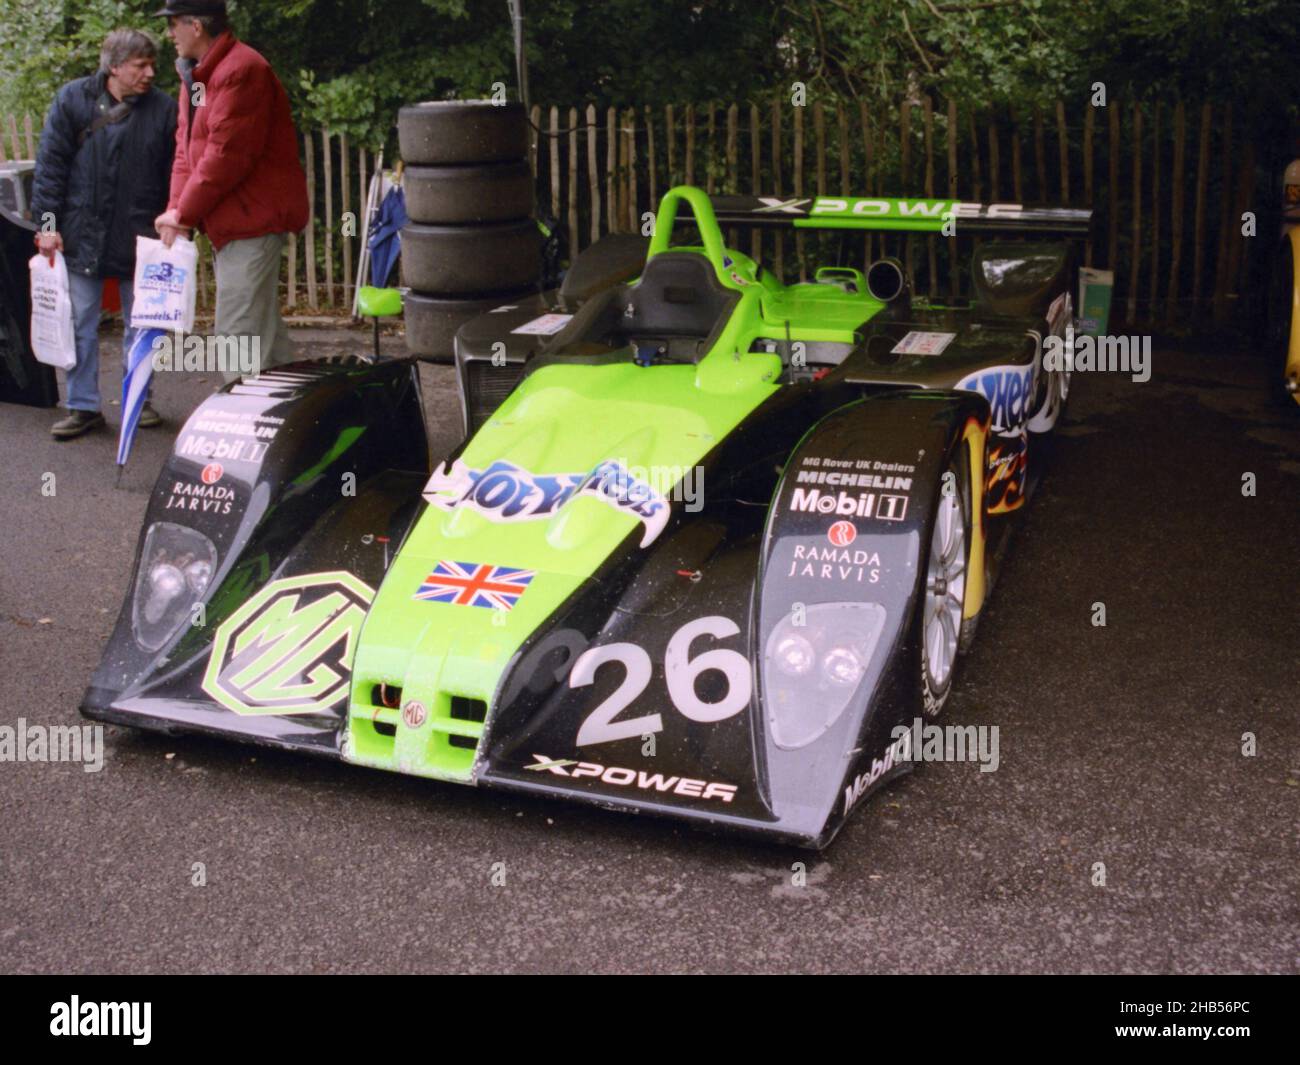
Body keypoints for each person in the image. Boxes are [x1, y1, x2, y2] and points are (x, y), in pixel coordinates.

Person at [31, 29, 176, 439]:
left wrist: (177, 220)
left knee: (145, 325)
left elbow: (177, 173)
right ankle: (82, 407)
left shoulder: (164, 109)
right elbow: (50, 168)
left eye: (152, 64)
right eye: (140, 65)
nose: (150, 73)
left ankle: (139, 400)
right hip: (82, 234)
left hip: (145, 238)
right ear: (114, 66)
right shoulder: (72, 99)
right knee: (78, 323)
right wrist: (47, 227)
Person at [153, 1, 308, 379]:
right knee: (264, 339)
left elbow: (226, 156)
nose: (169, 33)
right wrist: (177, 210)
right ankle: (294, 421)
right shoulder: (199, 76)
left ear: (196, 25)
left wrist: (183, 214)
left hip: (252, 223)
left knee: (237, 336)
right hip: (236, 223)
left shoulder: (242, 70)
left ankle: (244, 428)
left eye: (174, 24)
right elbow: (186, 151)